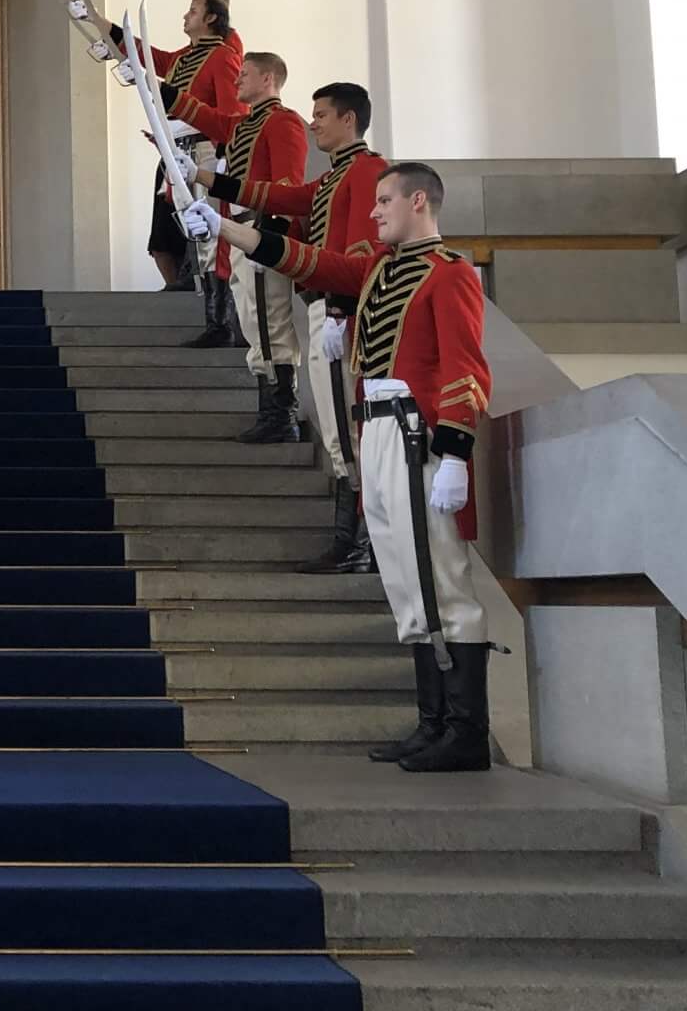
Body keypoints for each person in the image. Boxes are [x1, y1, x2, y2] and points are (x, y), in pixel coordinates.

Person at [188, 164, 494, 774]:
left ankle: (467, 732)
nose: (375, 212)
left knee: (442, 582)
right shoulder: (379, 269)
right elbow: (304, 260)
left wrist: (456, 454)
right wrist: (225, 227)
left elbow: (467, 367)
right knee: (407, 584)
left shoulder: (450, 273)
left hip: (419, 436)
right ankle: (432, 722)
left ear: (419, 202)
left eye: (385, 202)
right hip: (377, 428)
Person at [243, 82, 388, 571]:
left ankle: (359, 543)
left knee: (346, 430)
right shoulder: (334, 178)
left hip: (339, 310)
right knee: (335, 431)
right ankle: (352, 538)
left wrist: (343, 310)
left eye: (322, 114)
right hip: (323, 306)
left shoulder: (367, 170)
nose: (313, 123)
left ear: (349, 119)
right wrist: (207, 182)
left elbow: (362, 253)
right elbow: (297, 214)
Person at [78, 0, 244, 308]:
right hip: (174, 151)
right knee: (164, 237)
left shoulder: (223, 57)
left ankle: (215, 313)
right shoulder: (185, 57)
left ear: (211, 17)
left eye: (194, 10)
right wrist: (99, 22)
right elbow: (151, 59)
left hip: (203, 152)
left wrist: (226, 156)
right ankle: (186, 301)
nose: (186, 14)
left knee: (204, 237)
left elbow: (231, 115)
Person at [192, 53, 309, 434]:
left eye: (245, 74)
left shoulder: (283, 121)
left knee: (269, 322)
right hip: (241, 230)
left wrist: (270, 235)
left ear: (269, 78)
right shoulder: (244, 125)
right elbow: (203, 116)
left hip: (261, 231)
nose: (237, 81)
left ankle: (280, 415)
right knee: (252, 321)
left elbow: (288, 185)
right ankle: (270, 410)